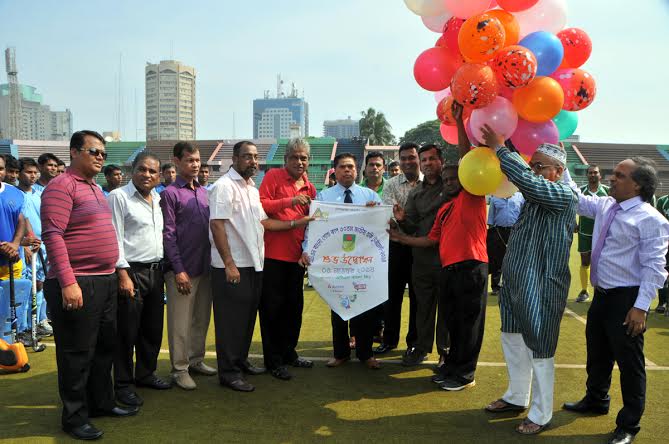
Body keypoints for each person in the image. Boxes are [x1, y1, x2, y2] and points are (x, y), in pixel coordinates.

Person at [562, 158, 669, 444]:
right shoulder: (608, 205)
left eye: (619, 176)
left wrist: (640, 307)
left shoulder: (651, 219)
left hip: (627, 300)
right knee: (597, 354)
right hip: (603, 295)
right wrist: (559, 162)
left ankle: (629, 425)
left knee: (630, 363)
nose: (611, 179)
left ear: (637, 185)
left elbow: (655, 267)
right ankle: (596, 400)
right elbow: (577, 199)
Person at [480, 125, 578, 435]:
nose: (533, 170)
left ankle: (541, 413)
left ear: (558, 170)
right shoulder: (536, 196)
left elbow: (526, 181)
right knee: (511, 338)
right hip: (516, 282)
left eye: (540, 166)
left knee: (541, 347)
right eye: (532, 164)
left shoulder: (561, 194)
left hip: (542, 285)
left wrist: (500, 148)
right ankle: (516, 395)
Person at [41, 130, 137, 441]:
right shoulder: (61, 186)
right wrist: (68, 282)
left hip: (104, 279)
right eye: (93, 151)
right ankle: (74, 417)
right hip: (77, 282)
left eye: (103, 154)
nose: (100, 157)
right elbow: (53, 235)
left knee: (104, 347)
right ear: (74, 152)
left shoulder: (95, 189)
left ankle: (101, 403)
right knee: (77, 353)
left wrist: (116, 272)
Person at [390, 102, 488, 391]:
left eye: (435, 161)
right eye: (425, 161)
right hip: (433, 261)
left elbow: (467, 158)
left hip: (467, 263)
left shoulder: (468, 195)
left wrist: (459, 123)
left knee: (457, 321)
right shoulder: (430, 200)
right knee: (432, 310)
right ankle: (430, 353)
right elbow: (426, 236)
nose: (444, 178)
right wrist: (402, 226)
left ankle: (454, 363)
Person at [301, 152, 383, 370]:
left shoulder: (370, 197)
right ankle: (341, 353)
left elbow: (385, 225)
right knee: (337, 308)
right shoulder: (324, 198)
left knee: (364, 309)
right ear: (334, 171)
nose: (347, 170)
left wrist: (379, 214)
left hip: (362, 263)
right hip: (335, 263)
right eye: (343, 167)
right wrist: (306, 250)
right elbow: (313, 227)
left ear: (357, 171)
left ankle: (366, 354)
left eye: (351, 167)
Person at [108, 151, 172, 408]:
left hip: (156, 272)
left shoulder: (157, 198)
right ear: (131, 170)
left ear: (159, 175)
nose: (147, 175)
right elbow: (114, 238)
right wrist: (122, 274)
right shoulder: (118, 197)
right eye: (142, 169)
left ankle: (145, 374)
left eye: (152, 171)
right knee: (126, 332)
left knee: (152, 329)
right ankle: (123, 385)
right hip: (131, 272)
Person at [258, 138, 317, 381]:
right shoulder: (273, 176)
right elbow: (262, 206)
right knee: (272, 311)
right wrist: (290, 201)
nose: (299, 161)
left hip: (296, 259)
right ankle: (273, 361)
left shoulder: (311, 188)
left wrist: (308, 250)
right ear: (286, 159)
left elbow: (313, 225)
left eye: (303, 158)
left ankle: (289, 352)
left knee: (294, 309)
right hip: (272, 257)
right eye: (295, 157)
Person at [160, 142, 215, 391]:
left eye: (197, 160)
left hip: (205, 266)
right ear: (177, 161)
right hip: (182, 269)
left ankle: (196, 360)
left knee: (201, 319)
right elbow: (168, 235)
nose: (195, 164)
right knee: (179, 323)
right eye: (190, 160)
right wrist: (178, 269)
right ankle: (179, 369)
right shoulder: (170, 193)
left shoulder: (203, 192)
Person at [395, 143, 448, 367]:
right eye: (424, 160)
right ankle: (421, 348)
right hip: (422, 259)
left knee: (447, 308)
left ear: (441, 161)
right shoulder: (416, 193)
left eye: (431, 159)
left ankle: (446, 351)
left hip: (448, 257)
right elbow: (411, 227)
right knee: (423, 307)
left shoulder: (452, 185)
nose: (427, 163)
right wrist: (402, 219)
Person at [375, 143, 422, 355]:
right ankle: (390, 340)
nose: (407, 162)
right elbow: (390, 215)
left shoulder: (429, 183)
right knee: (392, 296)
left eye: (411, 157)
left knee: (418, 298)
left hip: (421, 249)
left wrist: (405, 223)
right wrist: (405, 224)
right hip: (395, 247)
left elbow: (428, 220)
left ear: (419, 159)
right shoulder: (392, 183)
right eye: (403, 158)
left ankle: (414, 342)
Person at [16, 157, 51, 338]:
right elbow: (21, 221)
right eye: (28, 172)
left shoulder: (40, 194)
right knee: (27, 286)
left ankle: (38, 322)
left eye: (35, 172)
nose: (33, 176)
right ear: (19, 173)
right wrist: (25, 245)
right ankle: (24, 326)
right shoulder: (15, 194)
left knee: (41, 285)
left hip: (42, 246)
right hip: (25, 247)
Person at [575, 165, 609, 303]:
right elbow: (573, 205)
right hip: (584, 231)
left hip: (603, 233)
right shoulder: (581, 190)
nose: (593, 175)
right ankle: (584, 290)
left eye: (595, 172)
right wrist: (573, 221)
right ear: (587, 175)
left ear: (600, 175)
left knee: (601, 262)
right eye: (590, 173)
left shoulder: (607, 191)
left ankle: (600, 290)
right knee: (585, 260)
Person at [487, 192, 524, 295]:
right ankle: (496, 287)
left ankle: (513, 286)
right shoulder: (495, 198)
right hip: (499, 231)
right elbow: (491, 219)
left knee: (515, 259)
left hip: (515, 231)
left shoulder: (520, 197)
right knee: (497, 259)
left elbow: (523, 215)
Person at [0, 154, 26, 282]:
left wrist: (15, 244)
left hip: (12, 263)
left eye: (1, 168)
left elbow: (20, 220)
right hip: (8, 253)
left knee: (11, 302)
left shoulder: (15, 193)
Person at [655, 193, 669, 313]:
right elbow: (658, 222)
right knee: (663, 272)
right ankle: (662, 301)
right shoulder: (662, 201)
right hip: (665, 243)